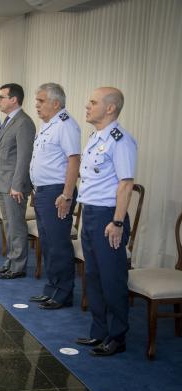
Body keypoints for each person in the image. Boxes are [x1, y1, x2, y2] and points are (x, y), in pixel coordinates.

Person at [75, 87, 137, 356]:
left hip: (108, 217)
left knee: (112, 279)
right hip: (90, 212)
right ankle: (98, 331)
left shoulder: (120, 140)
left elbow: (126, 184)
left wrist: (118, 222)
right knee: (93, 276)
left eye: (93, 102)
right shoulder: (95, 137)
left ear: (110, 108)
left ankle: (117, 336)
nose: (87, 106)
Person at [28, 83, 81, 309]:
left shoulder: (65, 125)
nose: (37, 105)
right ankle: (52, 288)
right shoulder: (48, 125)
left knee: (58, 244)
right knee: (48, 242)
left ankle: (63, 293)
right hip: (43, 191)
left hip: (57, 192)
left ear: (56, 103)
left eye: (41, 101)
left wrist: (67, 195)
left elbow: (74, 160)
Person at [0, 83, 35, 279]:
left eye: (2, 97)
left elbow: (24, 157)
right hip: (3, 182)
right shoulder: (8, 120)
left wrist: (17, 184)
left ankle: (18, 266)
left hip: (14, 185)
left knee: (16, 225)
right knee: (8, 224)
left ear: (14, 99)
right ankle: (10, 260)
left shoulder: (24, 122)